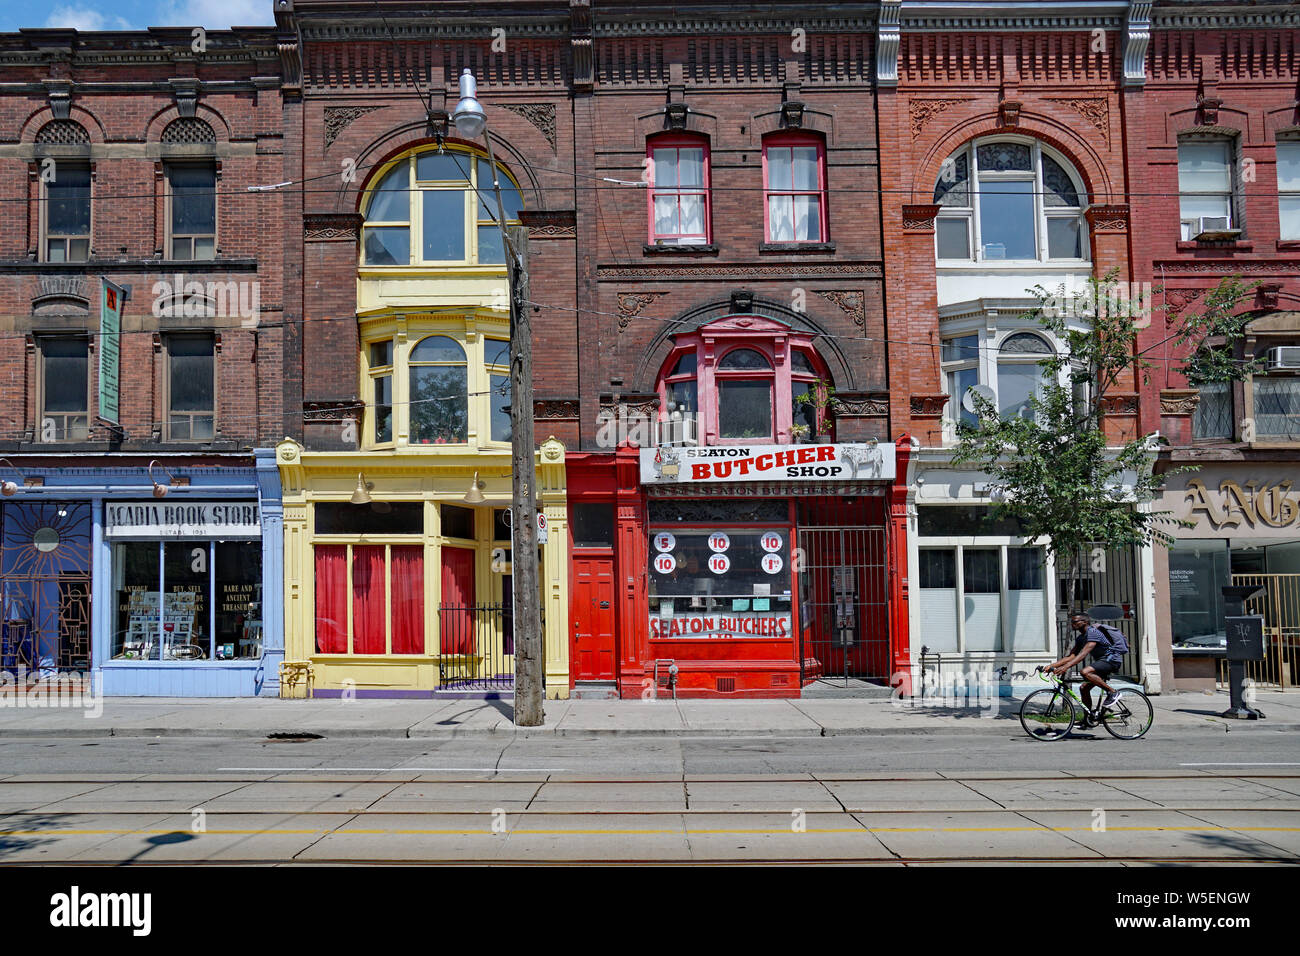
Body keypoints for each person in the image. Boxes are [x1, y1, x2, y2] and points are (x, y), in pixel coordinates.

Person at [1043, 612, 1123, 726]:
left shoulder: (1093, 632)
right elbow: (1072, 656)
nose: (1072, 624)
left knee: (1085, 672)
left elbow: (1083, 654)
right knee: (1084, 688)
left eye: (1075, 622)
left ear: (1085, 622)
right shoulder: (1081, 637)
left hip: (1111, 660)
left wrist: (1065, 667)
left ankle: (1113, 693)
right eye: (1071, 622)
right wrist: (1052, 666)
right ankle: (1087, 720)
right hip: (1102, 661)